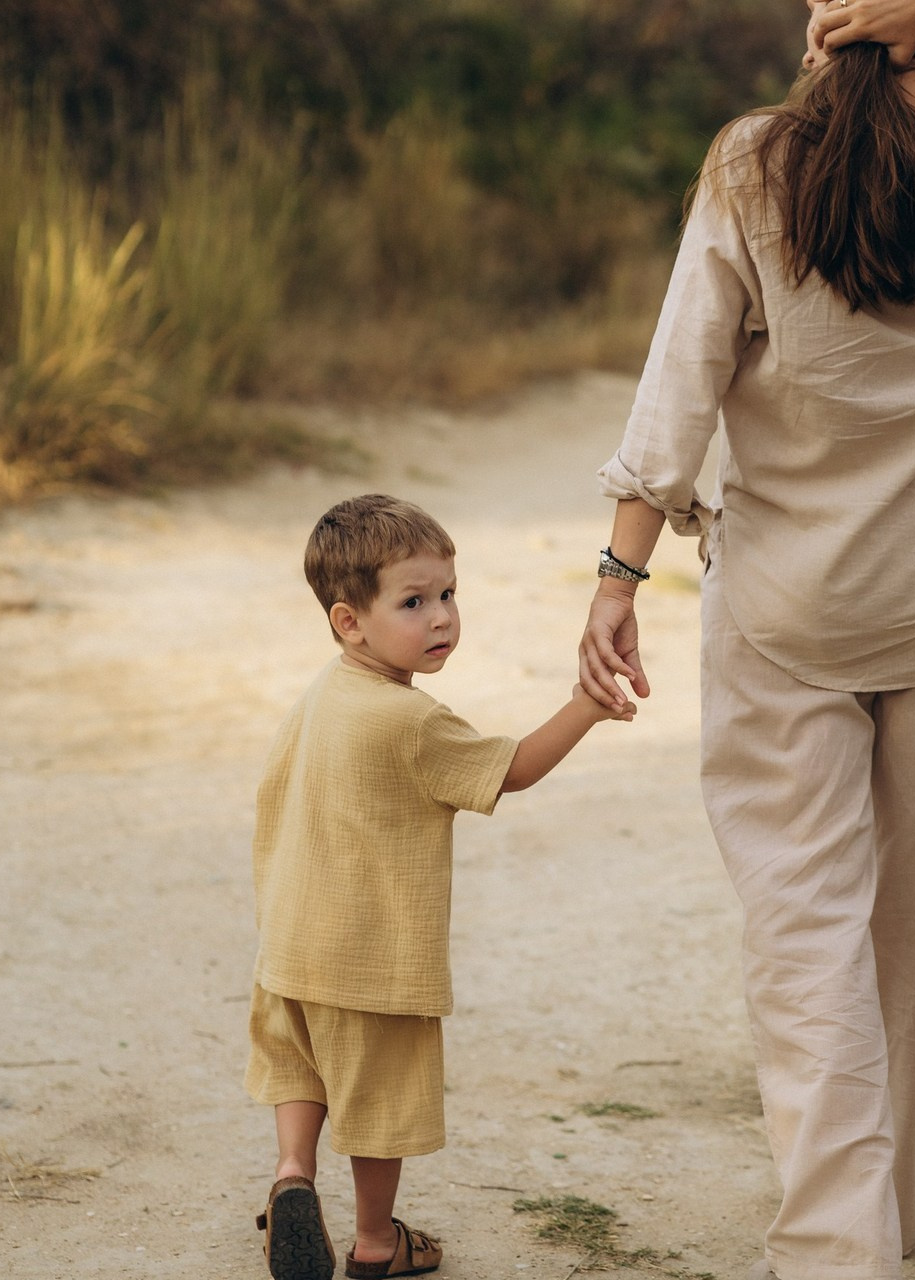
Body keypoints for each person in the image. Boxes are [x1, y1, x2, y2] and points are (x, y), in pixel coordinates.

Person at [578, 0, 915, 1277]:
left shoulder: (751, 164)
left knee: (803, 927)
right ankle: (889, 1201)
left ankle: (838, 1242)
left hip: (784, 612)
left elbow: (680, 381)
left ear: (823, 28)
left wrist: (617, 573)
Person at [247, 493, 634, 1280]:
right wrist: (587, 705)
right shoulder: (410, 722)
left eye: (449, 595)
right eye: (414, 602)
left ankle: (292, 1174)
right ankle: (375, 1242)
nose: (442, 618)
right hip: (371, 966)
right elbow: (513, 769)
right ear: (349, 622)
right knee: (378, 1105)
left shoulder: (322, 695)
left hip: (289, 945)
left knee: (303, 1068)